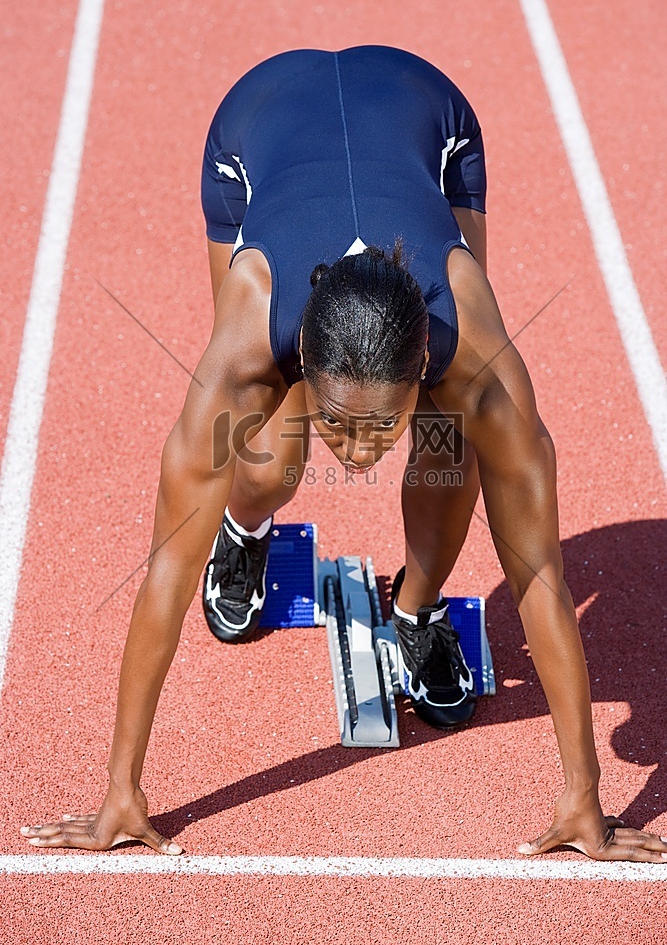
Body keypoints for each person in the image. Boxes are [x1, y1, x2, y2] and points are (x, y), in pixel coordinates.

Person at [20, 46, 666, 862]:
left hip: (427, 115)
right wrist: (122, 789)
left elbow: (540, 575)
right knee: (263, 461)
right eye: (337, 421)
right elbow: (163, 575)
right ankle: (247, 535)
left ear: (422, 365)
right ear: (299, 364)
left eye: (377, 426)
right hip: (257, 126)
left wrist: (585, 799)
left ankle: (418, 609)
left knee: (452, 442)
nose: (357, 454)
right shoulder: (250, 345)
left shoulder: (476, 365)